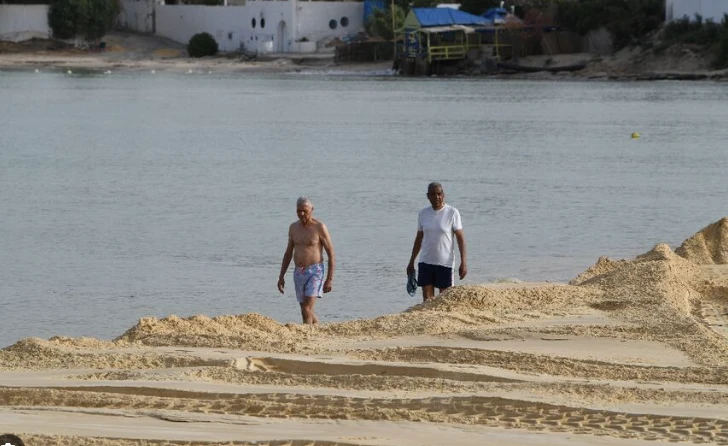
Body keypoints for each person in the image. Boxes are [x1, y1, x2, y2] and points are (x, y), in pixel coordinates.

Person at [277, 196, 335, 324]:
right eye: (299, 211)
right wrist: (281, 276)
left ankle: (306, 335)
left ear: (312, 209)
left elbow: (331, 253)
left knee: (307, 307)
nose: (301, 214)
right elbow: (288, 253)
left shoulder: (319, 227)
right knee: (304, 308)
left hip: (315, 271)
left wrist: (329, 279)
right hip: (299, 272)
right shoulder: (293, 228)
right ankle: (317, 330)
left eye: (305, 211)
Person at [406, 182, 467, 302]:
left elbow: (461, 239)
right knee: (427, 301)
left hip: (445, 263)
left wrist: (463, 262)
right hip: (426, 262)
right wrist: (411, 262)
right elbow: (419, 239)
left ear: (443, 195)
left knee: (444, 301)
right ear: (428, 196)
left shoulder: (452, 213)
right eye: (433, 194)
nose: (436, 197)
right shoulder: (423, 214)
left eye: (439, 194)